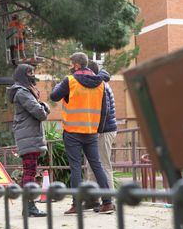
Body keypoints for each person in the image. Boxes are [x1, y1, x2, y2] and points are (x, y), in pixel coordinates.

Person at [50, 52, 115, 215]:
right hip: (91, 131)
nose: (70, 67)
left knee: (76, 168)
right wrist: (98, 129)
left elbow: (54, 96)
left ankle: (76, 204)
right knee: (97, 166)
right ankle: (107, 203)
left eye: (71, 64)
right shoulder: (100, 83)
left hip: (72, 131)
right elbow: (104, 109)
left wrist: (60, 85)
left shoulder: (70, 80)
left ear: (77, 65)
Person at [7, 64, 50, 217]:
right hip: (28, 137)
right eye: (30, 73)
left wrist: (41, 106)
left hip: (30, 136)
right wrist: (45, 106)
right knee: (29, 172)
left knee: (29, 171)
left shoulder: (24, 91)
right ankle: (29, 206)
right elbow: (40, 113)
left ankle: (29, 206)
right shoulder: (22, 92)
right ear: (23, 75)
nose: (33, 75)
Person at [85, 61, 117, 212]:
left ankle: (109, 202)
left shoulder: (101, 85)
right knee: (92, 166)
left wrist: (98, 130)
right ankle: (93, 200)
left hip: (104, 131)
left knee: (104, 165)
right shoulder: (98, 83)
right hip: (97, 130)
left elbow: (105, 111)